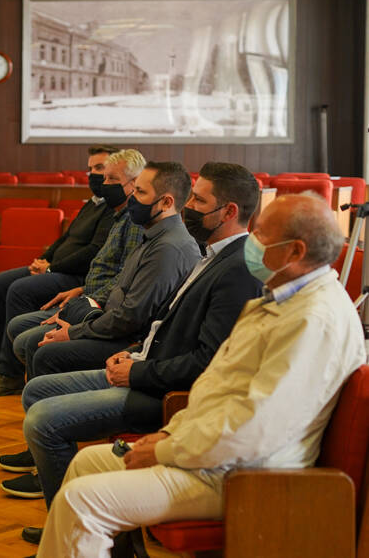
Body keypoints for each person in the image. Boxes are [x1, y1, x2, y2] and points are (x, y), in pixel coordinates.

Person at [35, 193, 365, 558]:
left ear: (295, 252)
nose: (250, 241)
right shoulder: (283, 299)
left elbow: (256, 428)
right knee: (86, 464)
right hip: (213, 453)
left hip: (246, 475)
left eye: (262, 235)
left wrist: (164, 450)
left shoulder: (313, 320)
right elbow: (220, 389)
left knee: (83, 502)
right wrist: (168, 435)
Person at [0, 163, 263, 537]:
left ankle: (67, 526)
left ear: (230, 212)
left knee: (43, 418)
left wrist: (135, 369)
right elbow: (164, 323)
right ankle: (66, 513)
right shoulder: (211, 254)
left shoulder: (236, 270)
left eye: (199, 200)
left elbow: (206, 361)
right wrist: (135, 353)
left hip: (164, 392)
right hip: (144, 362)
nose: (188, 207)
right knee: (37, 389)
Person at [0, 149, 146, 397]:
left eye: (105, 173)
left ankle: (10, 374)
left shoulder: (124, 215)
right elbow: (68, 238)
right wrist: (45, 259)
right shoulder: (96, 204)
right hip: (77, 282)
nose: (97, 178)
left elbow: (96, 256)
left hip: (78, 277)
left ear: (133, 183)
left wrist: (55, 270)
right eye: (95, 171)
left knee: (19, 291)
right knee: (0, 282)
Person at [12, 161, 201, 381]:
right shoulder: (153, 235)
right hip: (109, 320)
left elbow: (130, 318)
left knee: (42, 351)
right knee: (33, 340)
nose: (132, 198)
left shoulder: (168, 248)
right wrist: (78, 310)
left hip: (129, 340)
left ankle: (55, 410)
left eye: (140, 192)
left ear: (166, 202)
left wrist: (75, 331)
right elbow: (120, 287)